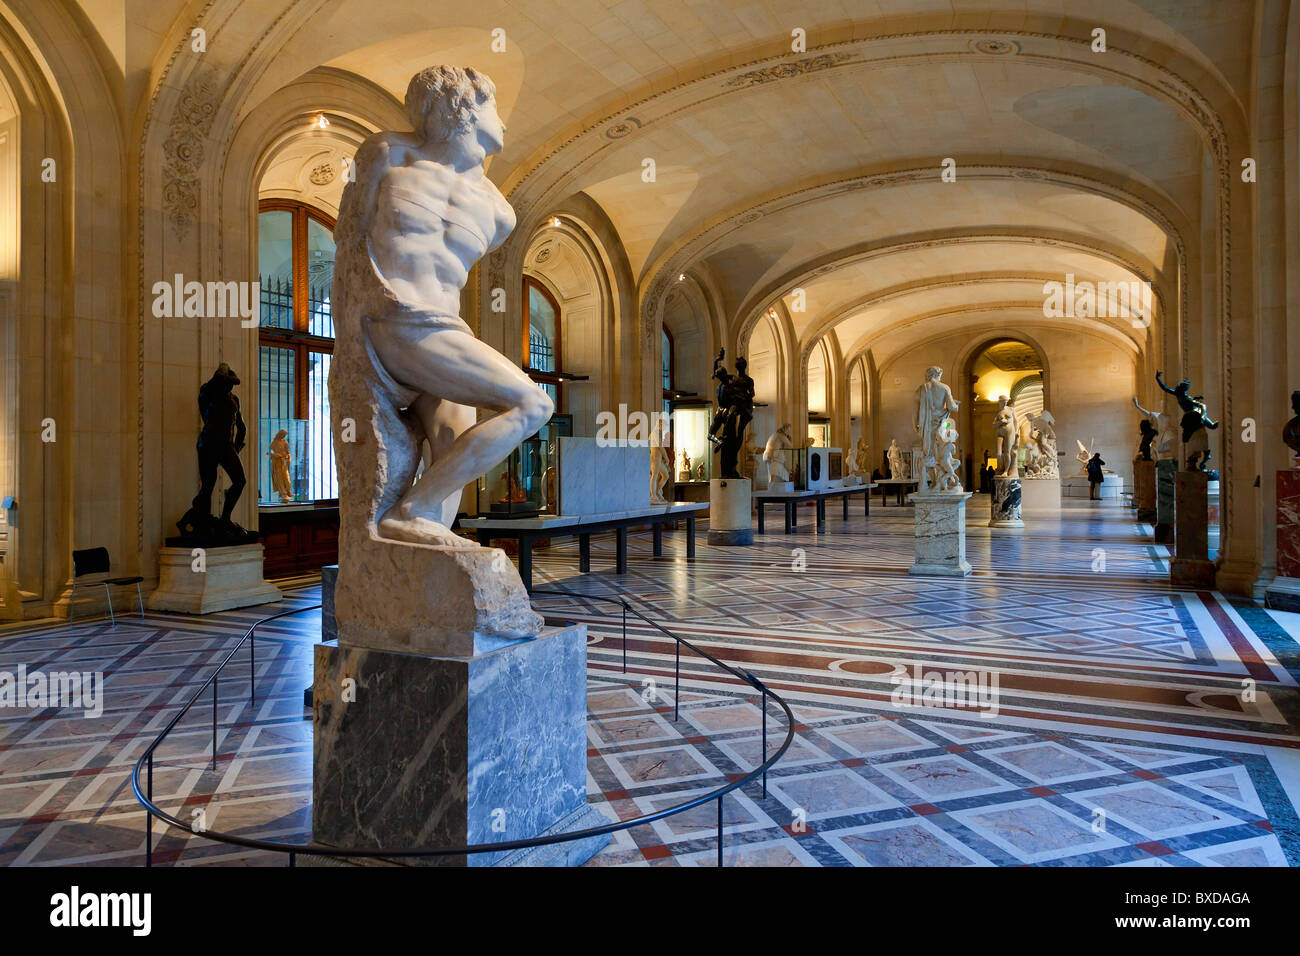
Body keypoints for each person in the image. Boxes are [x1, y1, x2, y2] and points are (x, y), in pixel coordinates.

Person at [333, 65, 551, 547]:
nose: (505, 122)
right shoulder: (389, 155)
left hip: (446, 332)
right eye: (492, 106)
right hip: (397, 321)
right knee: (533, 402)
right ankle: (413, 511)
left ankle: (420, 537)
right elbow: (347, 245)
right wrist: (349, 341)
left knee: (451, 441)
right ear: (462, 107)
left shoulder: (499, 213)